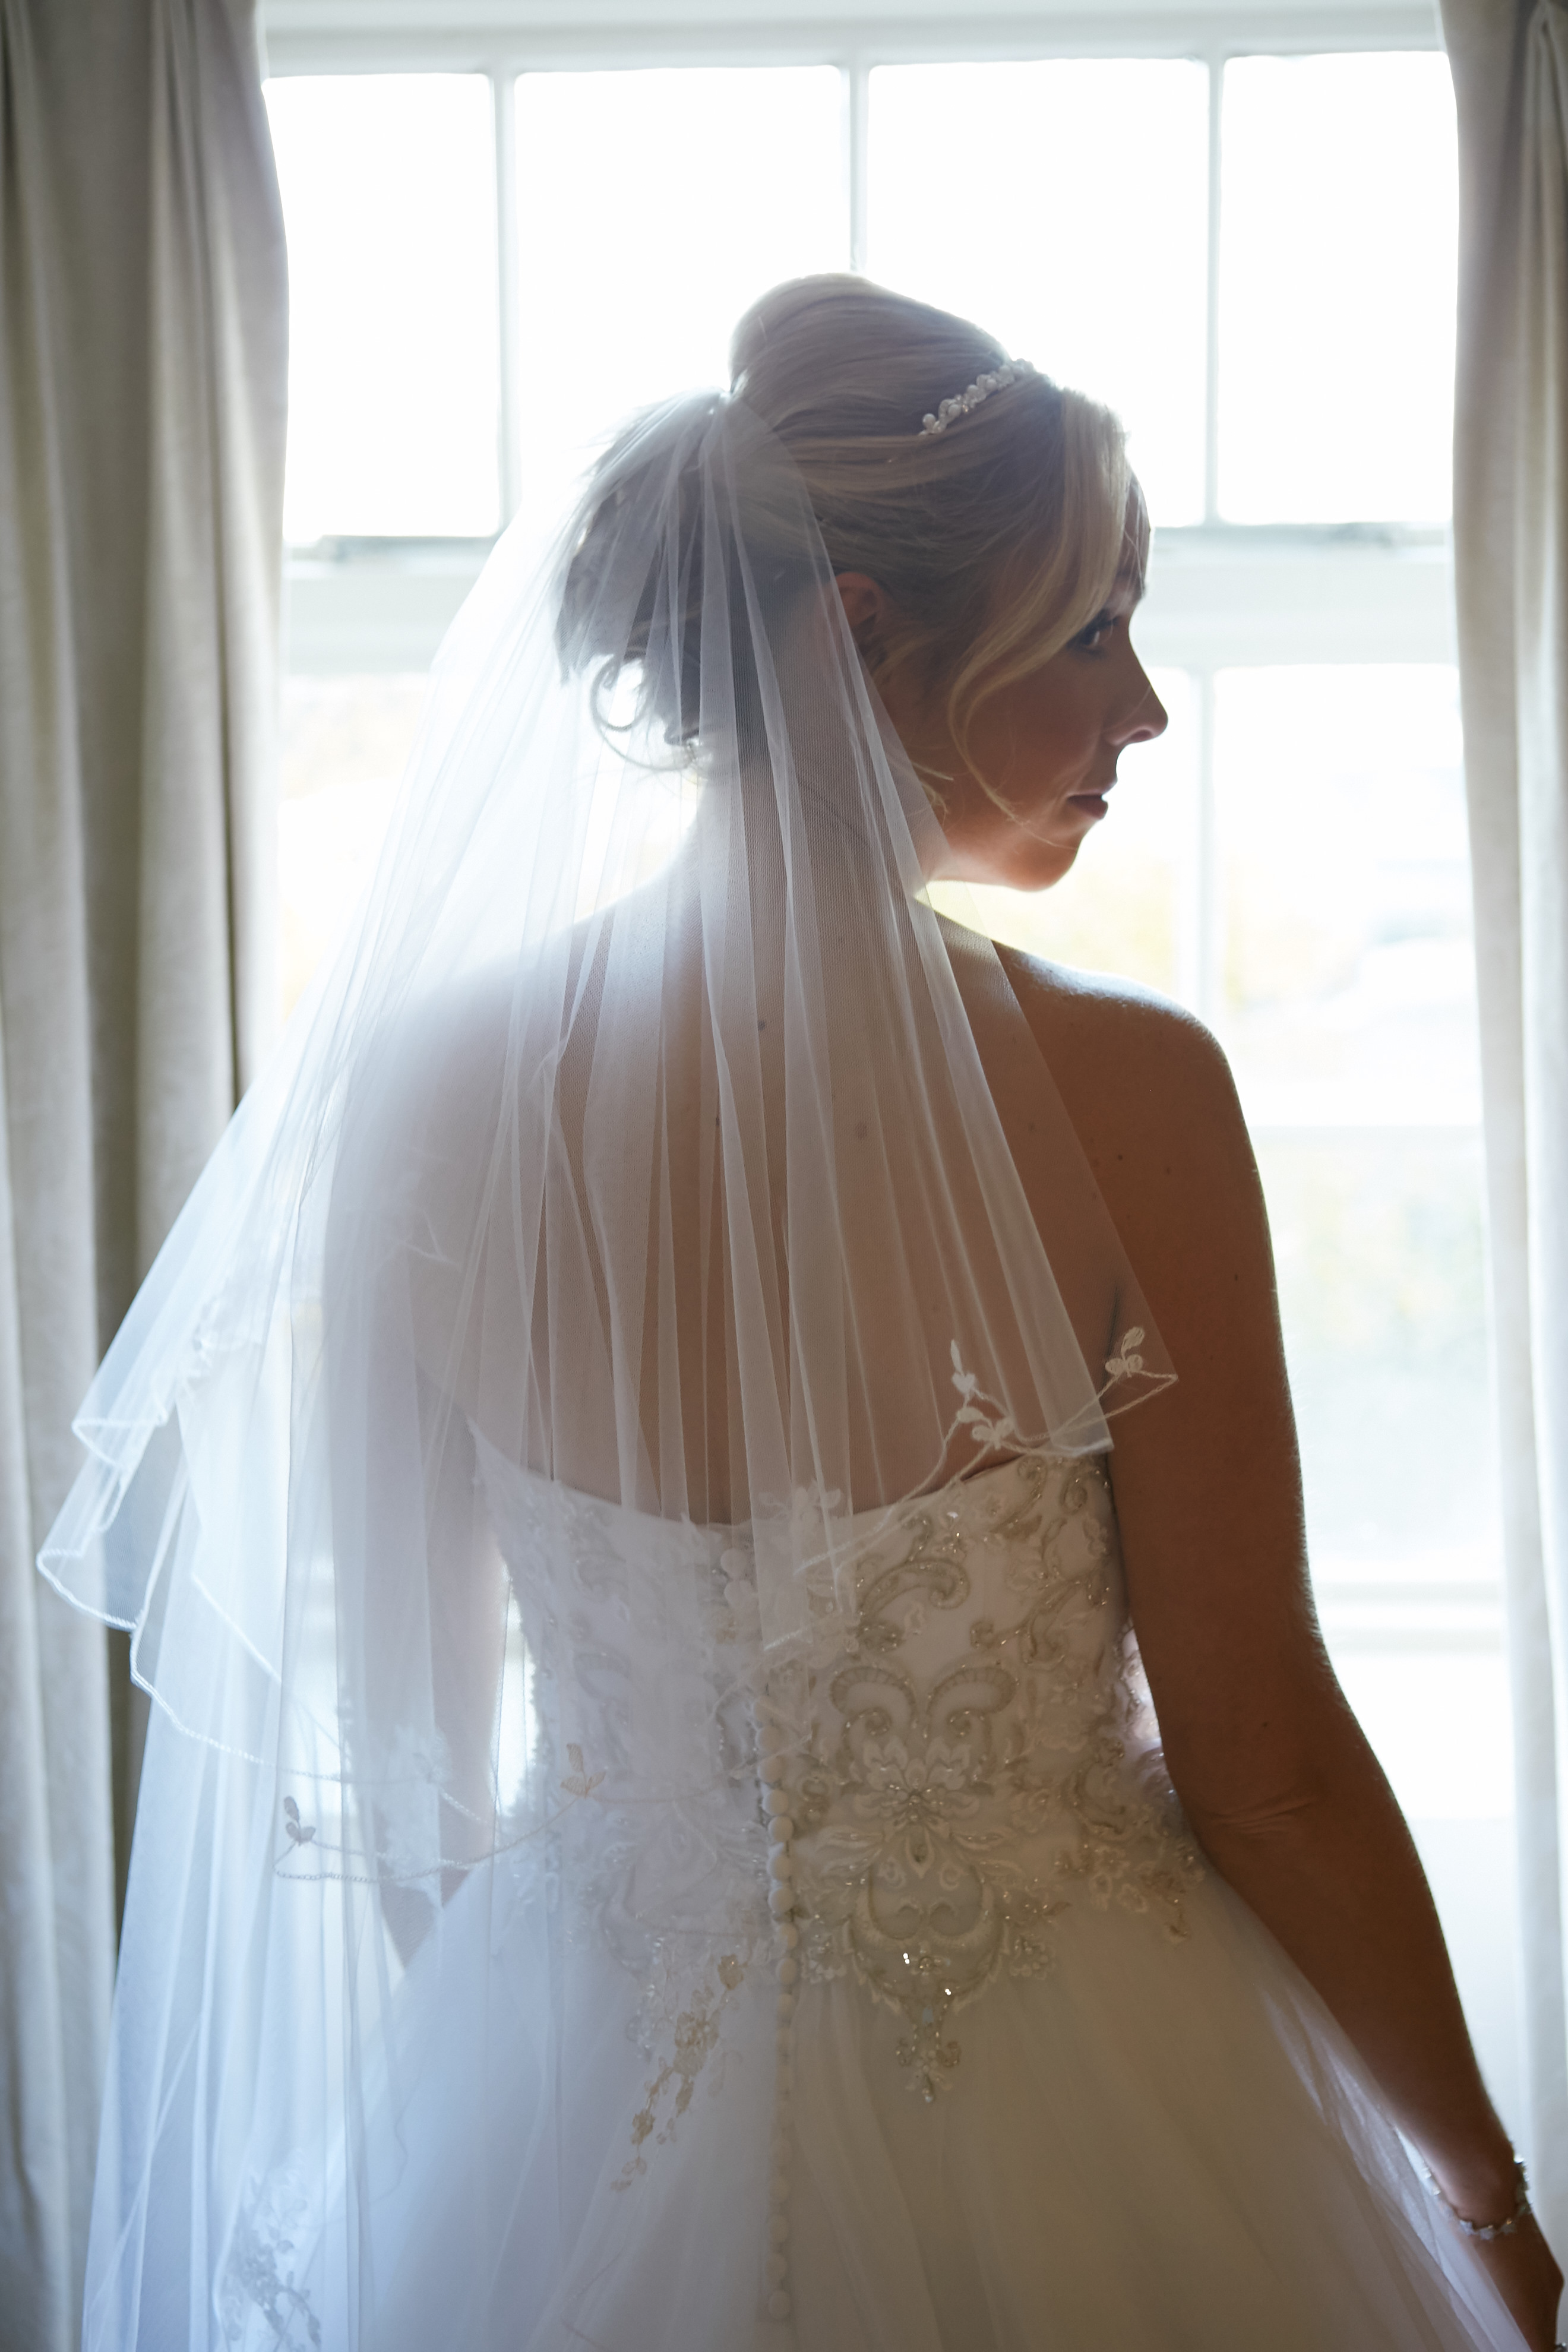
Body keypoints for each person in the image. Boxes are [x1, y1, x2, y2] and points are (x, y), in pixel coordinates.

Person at [42, 276, 1561, 2351]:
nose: (1145, 710)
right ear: (859, 636)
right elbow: (1267, 1770)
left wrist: (573, 2106)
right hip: (1086, 2122)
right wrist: (1487, 2196)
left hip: (570, 2119)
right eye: (1093, 631)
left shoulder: (424, 1101)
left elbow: (414, 1766)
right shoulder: (1132, 1097)